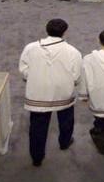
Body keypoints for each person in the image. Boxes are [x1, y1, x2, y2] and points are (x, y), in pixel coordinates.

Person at [19, 19, 82, 166]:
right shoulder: (73, 51)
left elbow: (24, 69)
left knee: (37, 126)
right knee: (66, 119)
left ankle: (37, 157)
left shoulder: (30, 47)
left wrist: (33, 77)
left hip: (38, 92)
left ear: (46, 30)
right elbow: (76, 76)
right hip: (63, 91)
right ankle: (65, 142)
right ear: (65, 32)